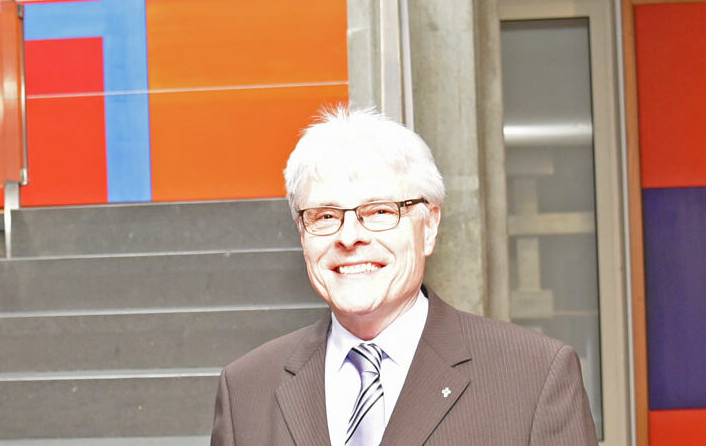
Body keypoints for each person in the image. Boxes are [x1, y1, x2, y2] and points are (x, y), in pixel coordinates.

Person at [212, 106, 598, 445]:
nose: (349, 237)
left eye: (380, 211)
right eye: (325, 216)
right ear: (302, 233)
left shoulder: (533, 376)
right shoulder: (247, 389)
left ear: (429, 226)